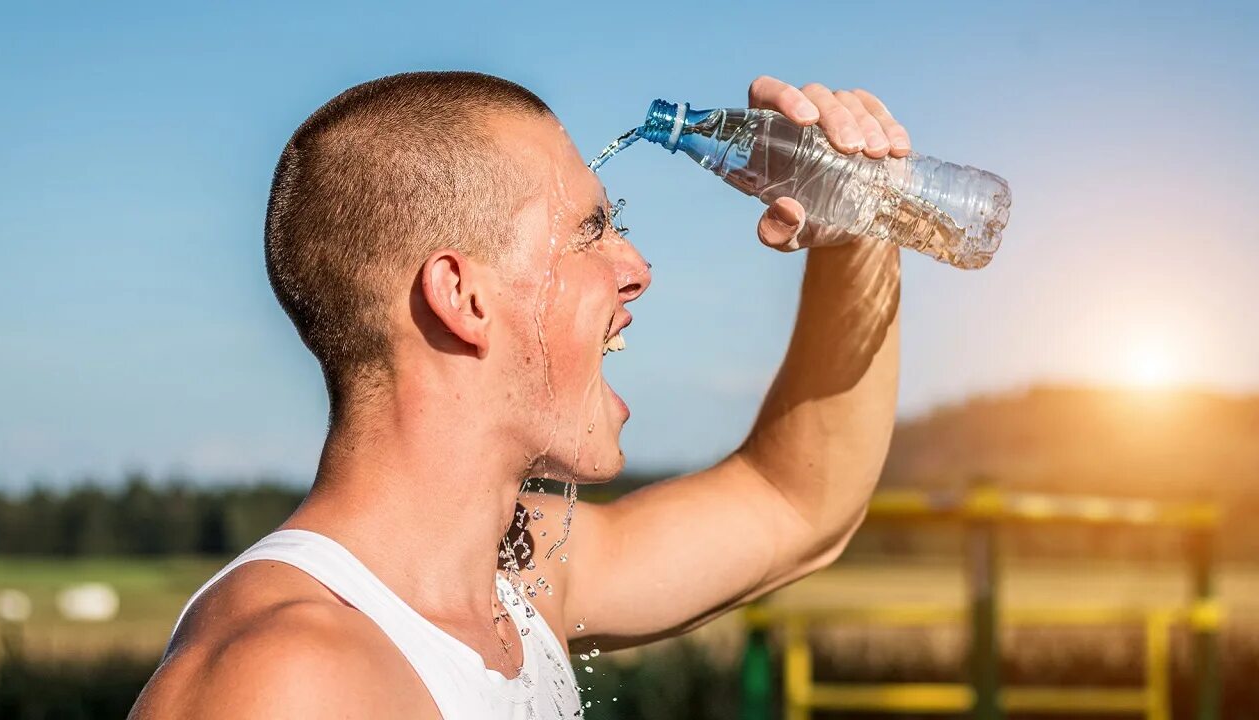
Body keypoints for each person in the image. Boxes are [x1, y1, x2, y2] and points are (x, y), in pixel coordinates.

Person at [129, 71, 906, 719]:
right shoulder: (282, 680)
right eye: (592, 229)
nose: (635, 268)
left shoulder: (520, 573)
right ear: (463, 297)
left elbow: (797, 503)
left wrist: (860, 224)